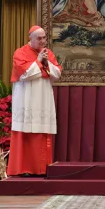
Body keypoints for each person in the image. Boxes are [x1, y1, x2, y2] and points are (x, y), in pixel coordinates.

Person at [7, 25, 62, 177]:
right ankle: (24, 168)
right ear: (30, 38)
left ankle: (41, 168)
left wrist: (45, 63)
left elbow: (57, 73)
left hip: (43, 97)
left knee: (41, 132)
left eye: (44, 38)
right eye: (39, 38)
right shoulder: (20, 52)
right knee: (26, 133)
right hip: (26, 97)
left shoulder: (48, 53)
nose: (43, 41)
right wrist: (38, 61)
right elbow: (24, 74)